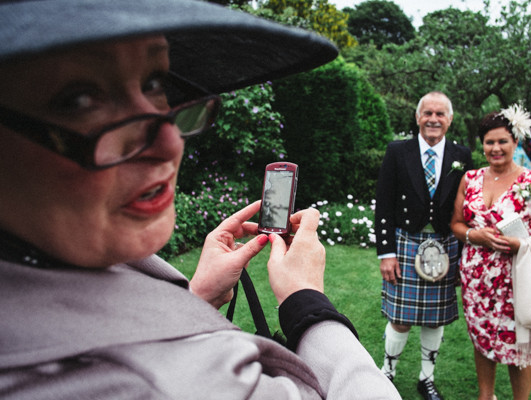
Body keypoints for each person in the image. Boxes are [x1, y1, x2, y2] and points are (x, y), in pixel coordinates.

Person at [0, 1, 401, 399]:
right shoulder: (155, 383)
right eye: (80, 99)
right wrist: (306, 301)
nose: (170, 140)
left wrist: (198, 298)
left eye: (154, 82)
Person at [450, 104, 531, 400]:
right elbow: (457, 224)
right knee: (482, 338)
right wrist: (474, 235)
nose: (496, 148)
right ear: (483, 145)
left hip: (517, 279)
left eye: (503, 141)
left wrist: (522, 244)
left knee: (520, 345)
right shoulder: (470, 179)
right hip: (477, 280)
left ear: (516, 142)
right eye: (490, 142)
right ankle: (485, 396)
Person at [375, 91, 473, 400]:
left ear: (450, 119)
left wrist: (464, 257)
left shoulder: (462, 154)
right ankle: (386, 373)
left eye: (440, 114)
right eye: (427, 113)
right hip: (406, 242)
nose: (433, 119)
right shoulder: (398, 151)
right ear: (418, 118)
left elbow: (466, 208)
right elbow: (384, 205)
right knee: (401, 317)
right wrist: (387, 253)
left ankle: (426, 379)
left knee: (436, 317)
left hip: (446, 245)